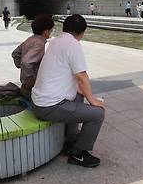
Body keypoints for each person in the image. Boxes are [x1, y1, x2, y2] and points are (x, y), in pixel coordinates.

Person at [32, 14, 105, 168]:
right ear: (82, 33)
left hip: (40, 101)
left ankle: (70, 141)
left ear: (64, 28)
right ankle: (78, 154)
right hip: (49, 106)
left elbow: (77, 79)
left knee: (79, 94)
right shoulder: (73, 44)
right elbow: (82, 76)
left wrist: (86, 95)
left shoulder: (55, 41)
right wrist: (93, 101)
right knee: (98, 114)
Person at [11, 15, 54, 99]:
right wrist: (30, 80)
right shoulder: (39, 44)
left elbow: (15, 53)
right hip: (31, 88)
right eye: (51, 30)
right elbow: (26, 62)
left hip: (25, 86)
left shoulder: (31, 39)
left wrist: (21, 67)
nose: (52, 32)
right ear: (46, 32)